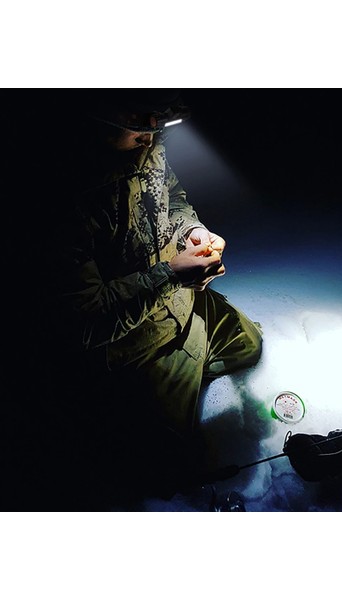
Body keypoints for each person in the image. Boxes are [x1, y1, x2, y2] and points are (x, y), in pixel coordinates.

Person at [25, 89, 263, 501]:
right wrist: (171, 275)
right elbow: (85, 319)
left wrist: (192, 232)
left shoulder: (148, 148)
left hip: (183, 307)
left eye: (158, 120)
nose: (150, 133)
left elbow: (174, 200)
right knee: (164, 467)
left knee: (250, 346)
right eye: (137, 121)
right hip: (131, 349)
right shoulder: (61, 197)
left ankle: (190, 377)